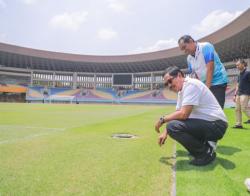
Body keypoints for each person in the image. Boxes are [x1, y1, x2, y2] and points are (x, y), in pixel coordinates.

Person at [155, 66, 228, 166]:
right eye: (166, 84)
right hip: (211, 124)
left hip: (217, 125)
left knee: (173, 126)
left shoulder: (191, 85)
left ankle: (205, 154)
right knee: (172, 125)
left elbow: (184, 114)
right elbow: (178, 115)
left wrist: (162, 120)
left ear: (179, 75)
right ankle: (204, 147)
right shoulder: (182, 91)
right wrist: (165, 132)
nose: (169, 86)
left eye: (170, 81)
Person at [178, 35, 228, 109]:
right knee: (205, 110)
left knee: (217, 110)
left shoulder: (206, 47)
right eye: (182, 49)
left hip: (218, 81)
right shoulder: (189, 59)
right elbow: (194, 75)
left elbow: (210, 67)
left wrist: (206, 89)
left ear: (191, 41)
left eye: (184, 47)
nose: (184, 51)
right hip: (204, 84)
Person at [233, 59, 250, 129]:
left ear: (243, 64)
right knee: (237, 109)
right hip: (238, 94)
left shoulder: (248, 73)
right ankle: (238, 124)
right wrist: (235, 94)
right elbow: (237, 84)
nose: (237, 66)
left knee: (244, 108)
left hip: (245, 93)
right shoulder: (239, 74)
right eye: (236, 65)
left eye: (238, 65)